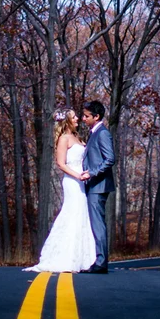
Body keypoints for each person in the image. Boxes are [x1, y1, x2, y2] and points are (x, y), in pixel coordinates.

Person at [24, 109, 97, 273]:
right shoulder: (64, 138)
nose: (77, 118)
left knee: (82, 214)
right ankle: (65, 257)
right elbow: (61, 163)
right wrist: (77, 176)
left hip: (82, 179)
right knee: (73, 212)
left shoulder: (77, 137)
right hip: (72, 181)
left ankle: (84, 258)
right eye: (74, 117)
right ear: (67, 121)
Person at [80, 100, 115, 273]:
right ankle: (96, 260)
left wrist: (91, 173)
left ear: (96, 116)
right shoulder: (94, 133)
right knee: (95, 224)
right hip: (94, 186)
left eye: (86, 116)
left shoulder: (102, 133)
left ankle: (101, 262)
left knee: (98, 224)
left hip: (98, 186)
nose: (83, 118)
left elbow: (110, 159)